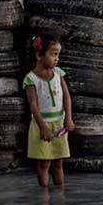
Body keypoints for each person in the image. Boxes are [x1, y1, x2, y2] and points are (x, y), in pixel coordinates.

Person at [23, 35, 75, 187]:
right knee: (44, 164)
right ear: (39, 55)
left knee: (58, 163)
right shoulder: (31, 78)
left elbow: (66, 96)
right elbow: (33, 104)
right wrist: (43, 127)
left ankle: (60, 195)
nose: (57, 58)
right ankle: (44, 199)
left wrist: (69, 118)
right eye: (53, 54)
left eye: (58, 54)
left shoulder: (58, 73)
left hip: (59, 123)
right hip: (41, 125)